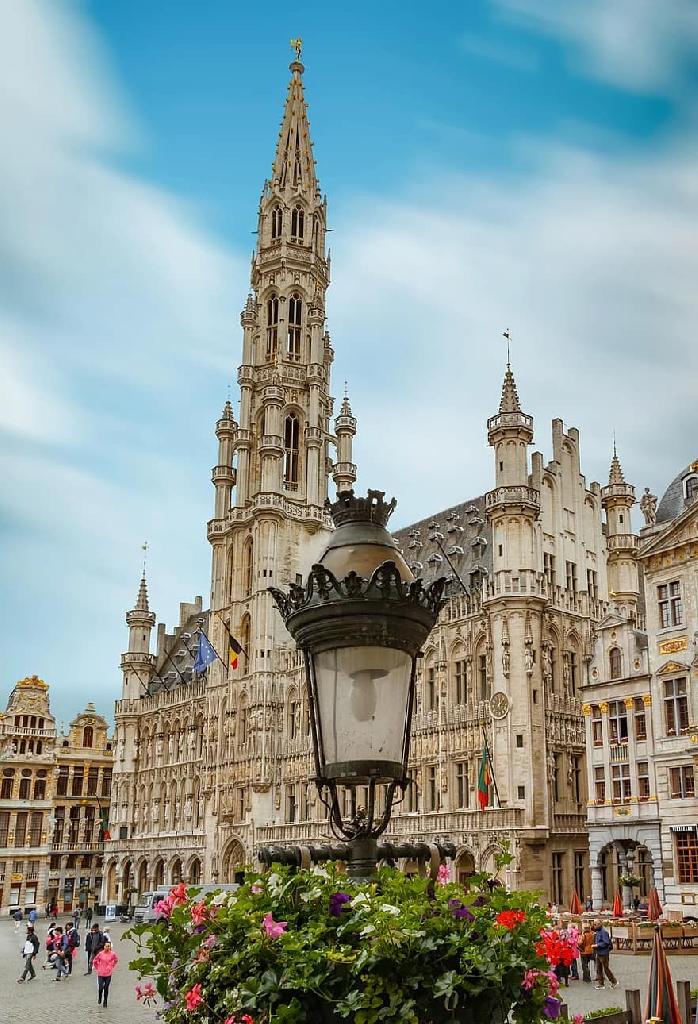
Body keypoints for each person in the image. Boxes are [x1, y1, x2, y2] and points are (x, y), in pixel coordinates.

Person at [593, 919, 618, 990]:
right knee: (599, 969)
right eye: (594, 924)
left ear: (599, 925)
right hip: (599, 952)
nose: (594, 926)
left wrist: (597, 945)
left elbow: (606, 942)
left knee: (606, 969)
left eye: (595, 924)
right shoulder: (597, 932)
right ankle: (601, 984)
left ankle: (614, 981)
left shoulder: (603, 932)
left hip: (604, 953)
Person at [92, 940, 118, 1008]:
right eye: (106, 946)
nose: (107, 947)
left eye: (108, 946)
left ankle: (105, 1001)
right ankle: (100, 997)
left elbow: (116, 960)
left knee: (106, 987)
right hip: (100, 973)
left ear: (110, 947)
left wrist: (111, 966)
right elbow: (95, 960)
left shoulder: (113, 954)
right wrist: (97, 967)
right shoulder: (100, 953)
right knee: (101, 987)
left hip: (108, 974)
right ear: (104, 947)